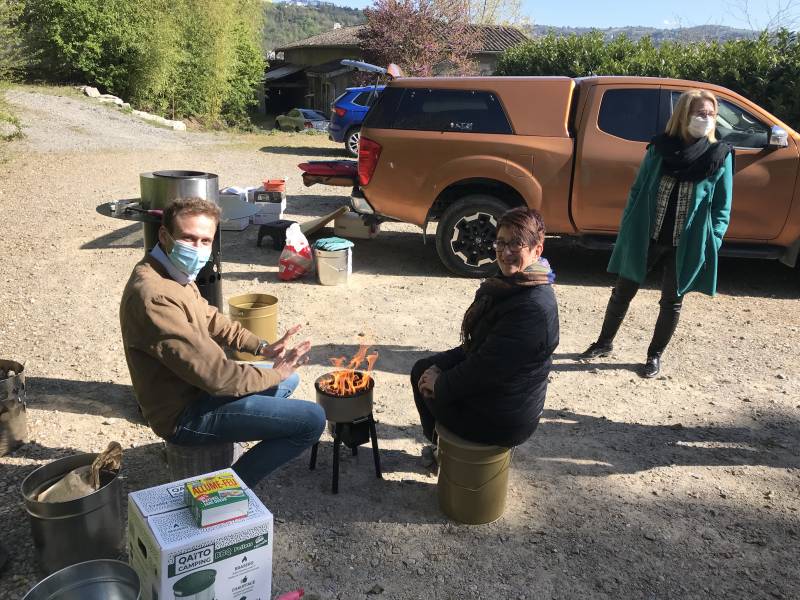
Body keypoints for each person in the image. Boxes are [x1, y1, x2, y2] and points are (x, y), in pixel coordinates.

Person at [120, 197, 326, 487]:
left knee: (287, 383)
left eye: (205, 241)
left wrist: (261, 347)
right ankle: (222, 491)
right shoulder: (155, 295)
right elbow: (218, 376)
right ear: (165, 236)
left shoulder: (169, 270)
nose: (197, 248)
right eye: (189, 238)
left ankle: (239, 430)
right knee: (312, 420)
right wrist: (275, 371)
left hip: (196, 391)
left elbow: (211, 317)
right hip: (184, 414)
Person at [579, 89, 733, 378]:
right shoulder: (660, 148)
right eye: (700, 113)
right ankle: (603, 343)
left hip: (686, 241)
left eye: (711, 114)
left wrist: (715, 236)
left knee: (672, 302)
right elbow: (638, 189)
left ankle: (654, 356)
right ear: (683, 116)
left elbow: (723, 206)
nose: (706, 119)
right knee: (622, 291)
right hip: (647, 234)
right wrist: (629, 224)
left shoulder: (719, 155)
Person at [410, 207, 559, 456]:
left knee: (426, 384)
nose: (506, 252)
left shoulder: (532, 307)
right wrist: (437, 368)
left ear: (537, 250)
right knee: (423, 368)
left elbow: (484, 369)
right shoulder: (513, 284)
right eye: (501, 242)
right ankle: (441, 446)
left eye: (516, 244)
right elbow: (481, 345)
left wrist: (441, 384)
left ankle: (447, 452)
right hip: (501, 392)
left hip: (503, 418)